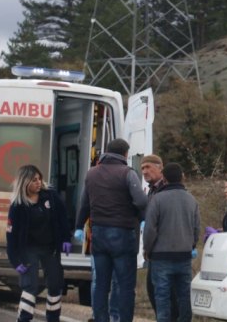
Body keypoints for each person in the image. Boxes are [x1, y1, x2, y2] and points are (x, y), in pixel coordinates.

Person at [75, 138, 147, 322]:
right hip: (123, 234)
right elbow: (140, 201)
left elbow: (84, 204)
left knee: (100, 284)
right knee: (124, 285)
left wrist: (78, 226)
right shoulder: (128, 174)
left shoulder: (91, 174)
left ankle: (100, 318)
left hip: (99, 234)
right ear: (125, 154)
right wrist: (143, 218)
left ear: (107, 151)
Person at [6, 164, 72, 322]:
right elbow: (11, 236)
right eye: (34, 180)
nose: (38, 182)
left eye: (39, 179)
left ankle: (53, 319)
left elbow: (63, 219)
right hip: (28, 250)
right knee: (30, 286)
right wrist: (15, 261)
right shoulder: (17, 206)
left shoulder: (51, 197)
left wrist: (66, 239)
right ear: (24, 182)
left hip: (50, 248)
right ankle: (24, 318)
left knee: (55, 284)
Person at [143, 163, 200, 322]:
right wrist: (192, 245)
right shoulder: (191, 200)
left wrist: (148, 249)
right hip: (184, 255)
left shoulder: (157, 199)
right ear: (182, 177)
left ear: (164, 178)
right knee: (184, 295)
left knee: (162, 296)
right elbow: (196, 228)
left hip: (161, 256)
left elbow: (150, 230)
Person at [140, 154, 179, 321]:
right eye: (142, 168)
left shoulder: (168, 188)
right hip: (155, 249)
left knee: (167, 293)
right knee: (153, 290)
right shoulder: (152, 190)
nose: (145, 171)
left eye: (148, 167)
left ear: (160, 167)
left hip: (167, 248)